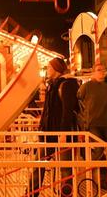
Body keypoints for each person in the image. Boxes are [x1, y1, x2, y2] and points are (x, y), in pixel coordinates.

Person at [29, 58, 79, 196]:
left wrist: (64, 133)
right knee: (39, 164)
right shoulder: (51, 85)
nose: (47, 70)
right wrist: (41, 127)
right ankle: (31, 193)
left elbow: (67, 110)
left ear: (56, 69)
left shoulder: (67, 84)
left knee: (65, 168)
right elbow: (47, 110)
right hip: (48, 132)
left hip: (62, 132)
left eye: (49, 67)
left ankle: (66, 194)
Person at [77, 63, 107, 187]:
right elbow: (78, 99)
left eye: (103, 70)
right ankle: (91, 170)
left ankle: (103, 178)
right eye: (99, 70)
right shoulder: (87, 87)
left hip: (105, 122)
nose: (101, 72)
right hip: (92, 122)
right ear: (94, 72)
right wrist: (83, 117)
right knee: (99, 149)